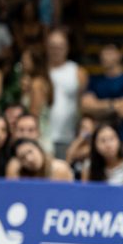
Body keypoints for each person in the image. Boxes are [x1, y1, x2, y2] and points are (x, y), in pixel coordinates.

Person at [80, 40, 123, 136]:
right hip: (98, 134)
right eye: (103, 52)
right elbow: (86, 106)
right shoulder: (94, 80)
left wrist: (97, 107)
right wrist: (113, 105)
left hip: (122, 133)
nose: (105, 56)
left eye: (110, 53)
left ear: (120, 54)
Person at [44, 29, 87, 158]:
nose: (56, 50)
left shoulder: (78, 72)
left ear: (67, 47)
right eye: (53, 46)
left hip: (68, 137)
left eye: (60, 46)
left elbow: (82, 105)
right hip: (42, 136)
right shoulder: (39, 70)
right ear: (46, 47)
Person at [6, 138, 75, 182]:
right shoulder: (22, 174)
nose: (29, 159)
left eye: (30, 151)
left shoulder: (59, 169)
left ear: (39, 148)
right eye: (23, 158)